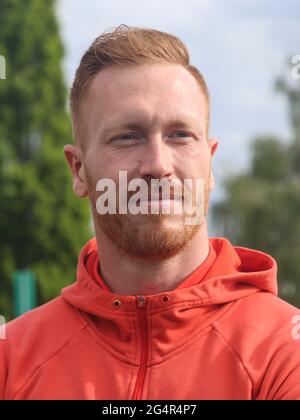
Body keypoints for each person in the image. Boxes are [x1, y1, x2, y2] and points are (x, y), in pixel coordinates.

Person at [1, 24, 300, 401]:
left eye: (180, 135)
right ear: (78, 171)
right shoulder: (11, 358)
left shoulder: (285, 350)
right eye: (127, 136)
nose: (158, 165)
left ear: (209, 164)